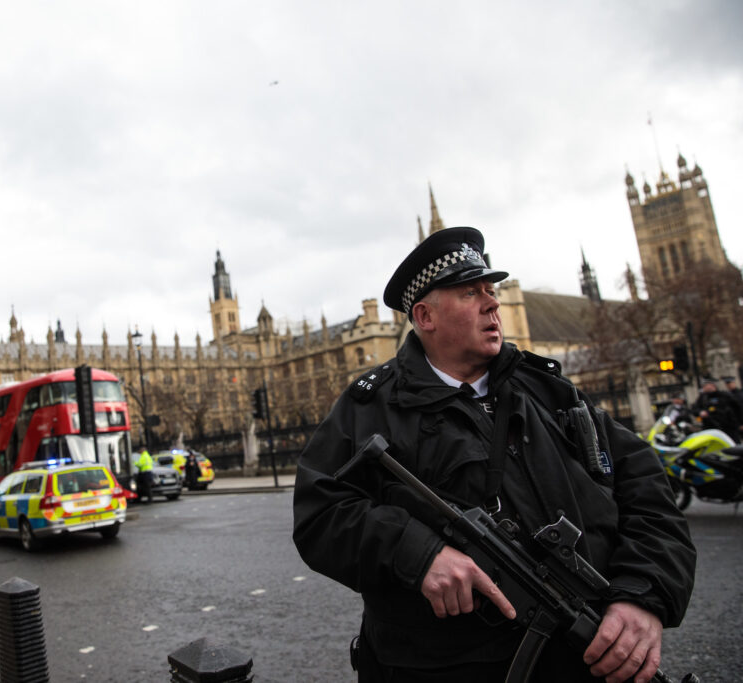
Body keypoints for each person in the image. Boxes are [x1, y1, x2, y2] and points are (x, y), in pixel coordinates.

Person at [292, 227, 696, 682]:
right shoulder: (371, 406)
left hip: (586, 656)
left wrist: (642, 594)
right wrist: (418, 553)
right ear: (425, 316)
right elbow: (319, 515)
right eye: (470, 293)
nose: (492, 303)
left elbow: (646, 488)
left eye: (491, 290)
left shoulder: (549, 390)